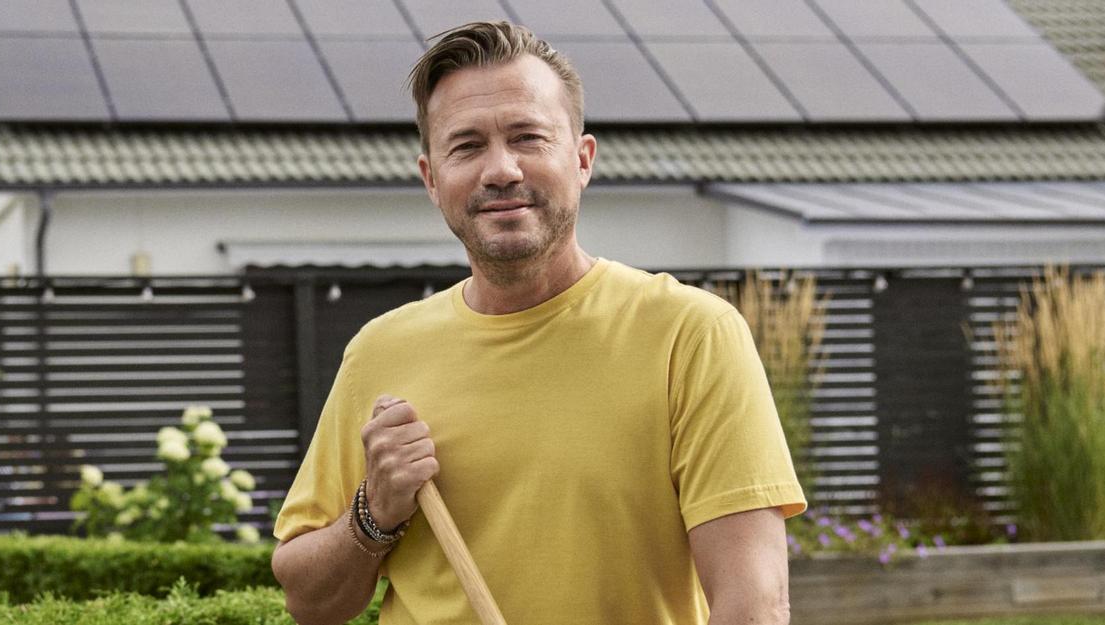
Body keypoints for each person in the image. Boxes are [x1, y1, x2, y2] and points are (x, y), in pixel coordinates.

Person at [270, 21, 807, 625]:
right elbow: (308, 603)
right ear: (431, 179)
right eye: (466, 146)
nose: (500, 169)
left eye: (528, 137)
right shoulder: (380, 351)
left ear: (582, 160)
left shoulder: (688, 335)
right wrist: (374, 513)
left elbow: (753, 605)